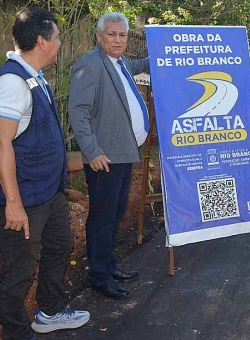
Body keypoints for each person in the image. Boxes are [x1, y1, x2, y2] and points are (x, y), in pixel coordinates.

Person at [0, 7, 90, 340]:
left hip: (46, 192)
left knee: (59, 246)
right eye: (55, 38)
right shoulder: (12, 82)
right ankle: (15, 332)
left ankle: (50, 312)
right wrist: (13, 203)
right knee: (18, 270)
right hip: (23, 196)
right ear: (42, 41)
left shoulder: (34, 78)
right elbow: (0, 144)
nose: (58, 45)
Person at [68, 12, 150, 299]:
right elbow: (78, 113)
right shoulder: (89, 64)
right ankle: (99, 276)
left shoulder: (120, 63)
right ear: (99, 36)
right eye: (112, 34)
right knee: (103, 217)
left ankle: (108, 263)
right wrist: (92, 152)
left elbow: (140, 64)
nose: (118, 40)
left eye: (122, 35)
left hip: (124, 153)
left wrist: (167, 52)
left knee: (115, 213)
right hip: (105, 158)